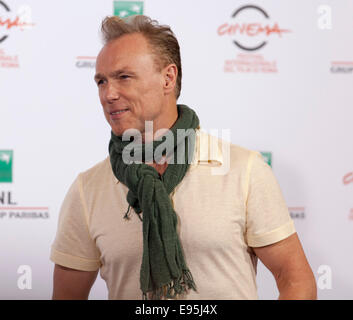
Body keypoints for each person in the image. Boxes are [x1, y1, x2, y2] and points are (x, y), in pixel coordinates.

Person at [50, 15, 317, 300]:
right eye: (101, 81)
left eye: (123, 77)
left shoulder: (244, 170)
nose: (108, 94)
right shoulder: (87, 189)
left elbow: (295, 280)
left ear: (168, 78)